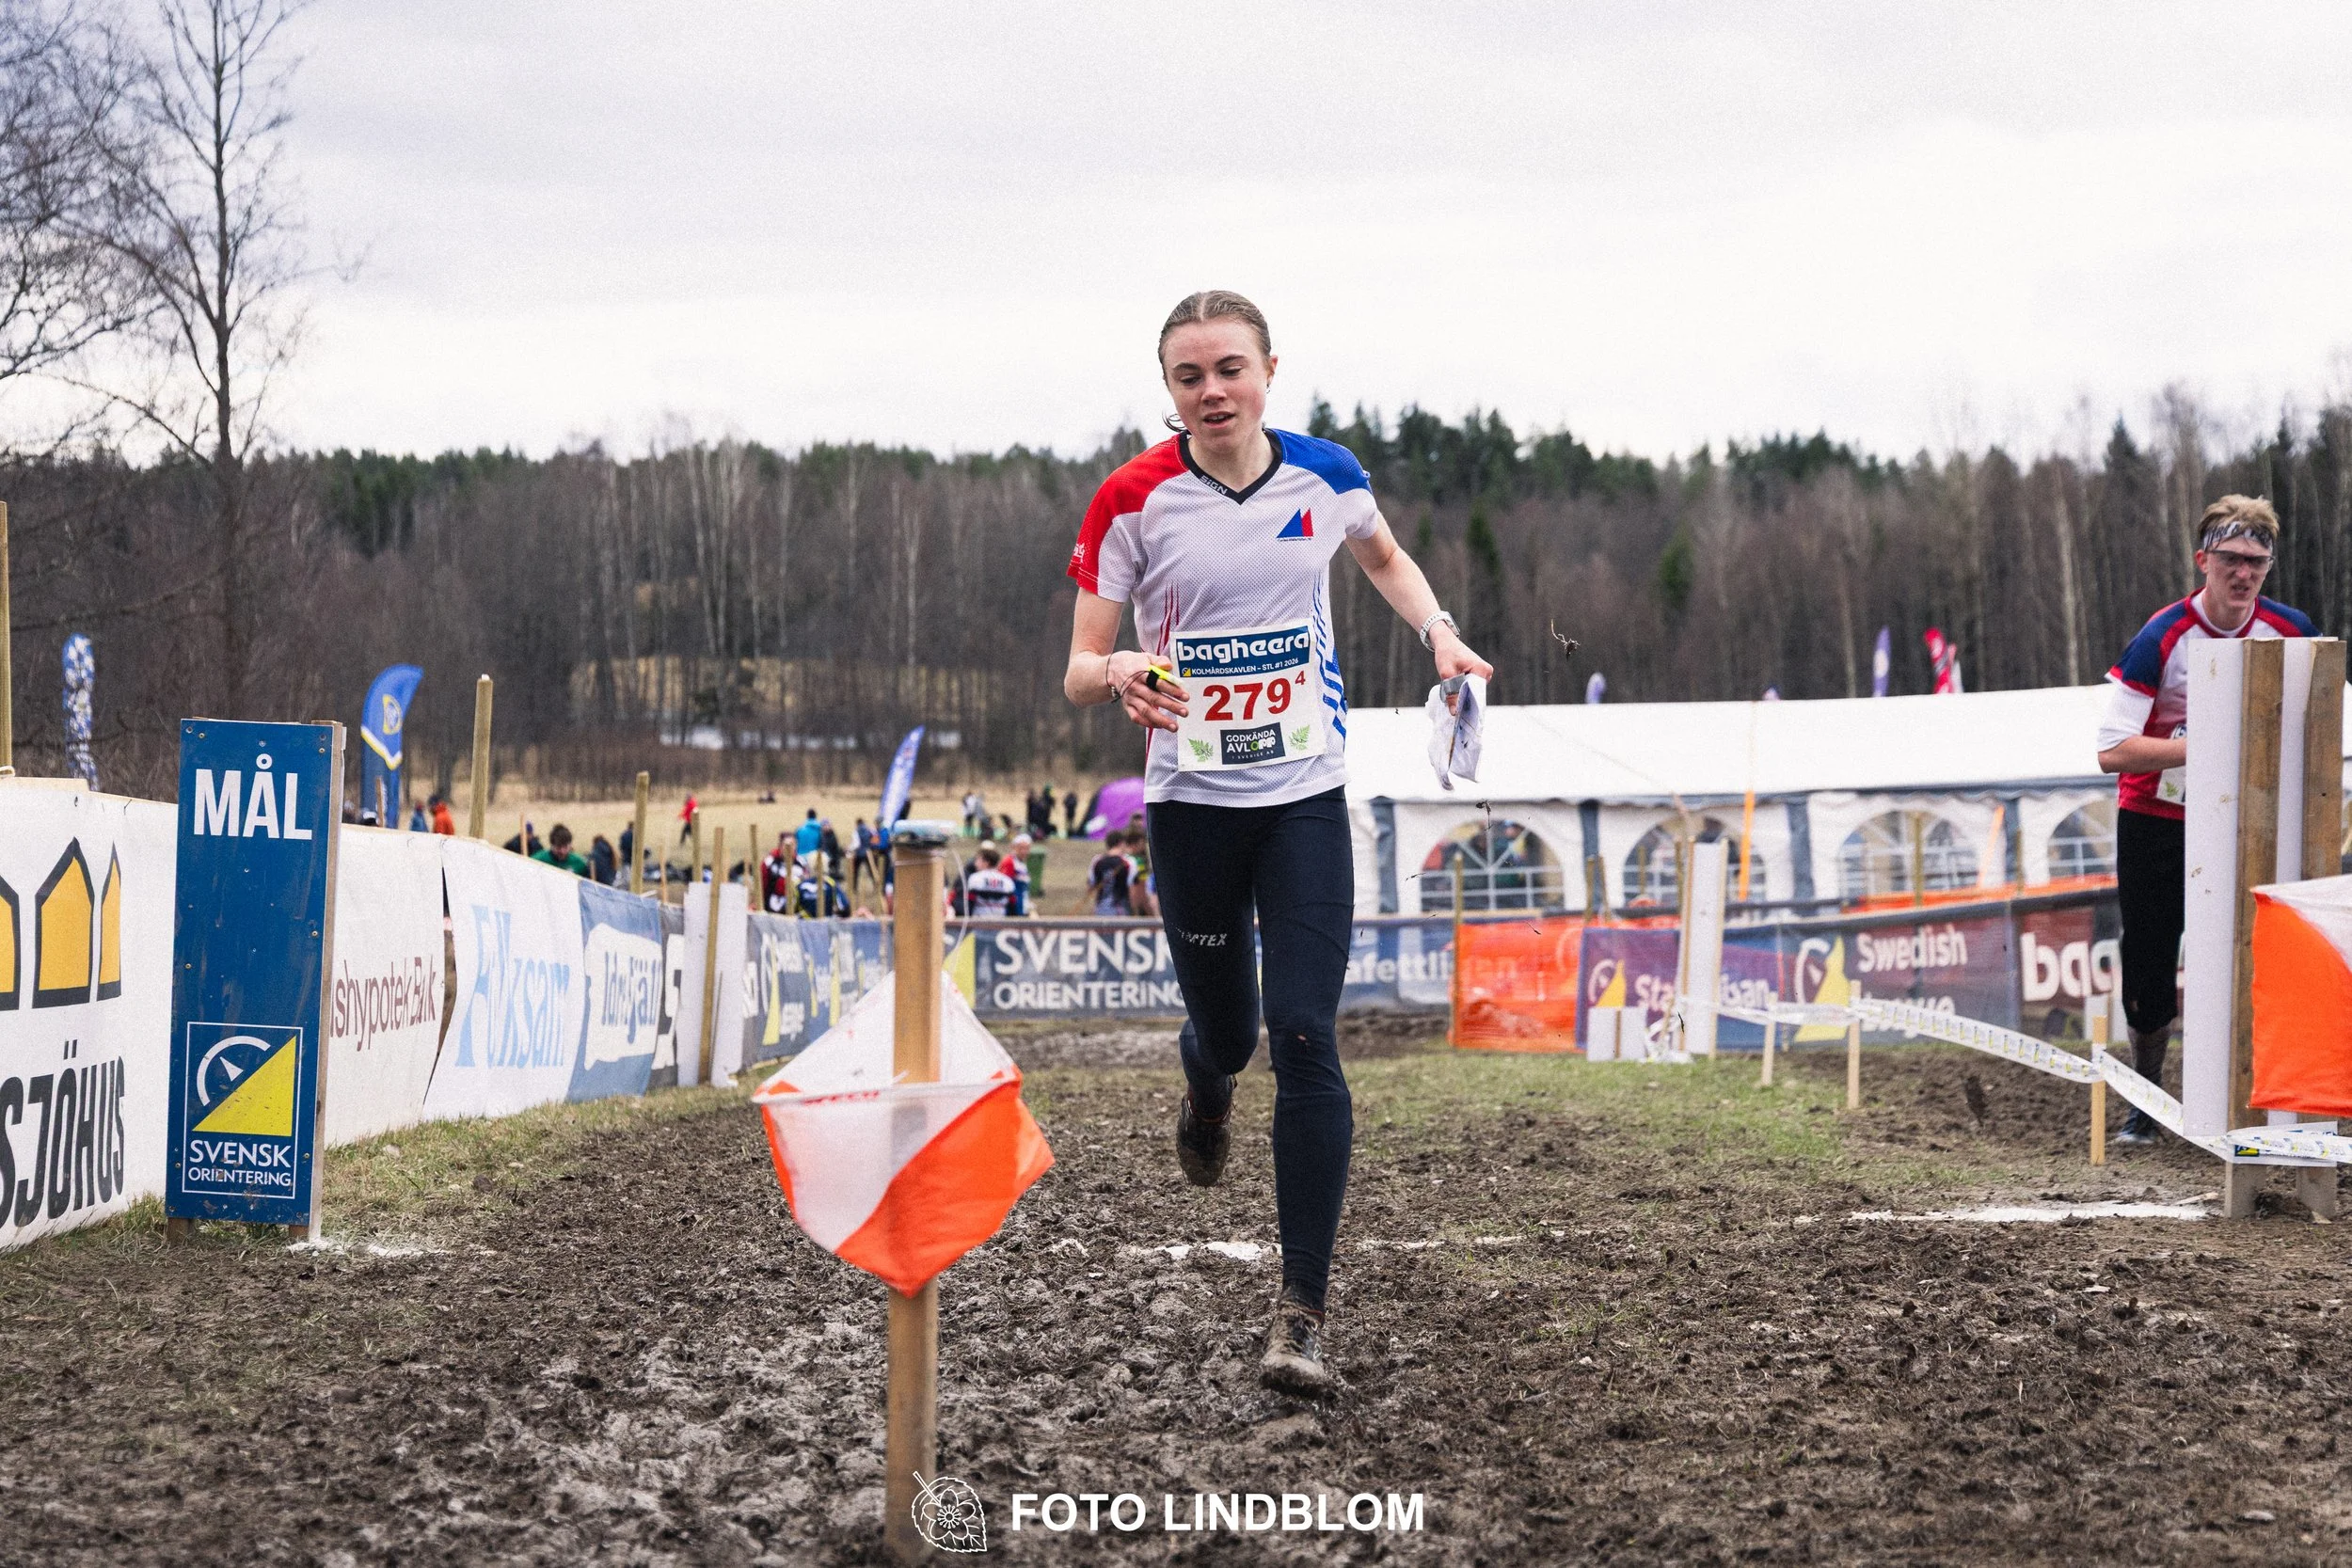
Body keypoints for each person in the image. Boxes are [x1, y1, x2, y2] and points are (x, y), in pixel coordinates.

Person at [1062, 290, 1491, 1391]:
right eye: (1188, 377)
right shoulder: (1132, 500)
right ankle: (1204, 1093)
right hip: (1193, 805)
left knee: (1304, 1031)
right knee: (1232, 1033)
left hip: (1304, 795)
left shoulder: (1326, 472)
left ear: (1268, 371)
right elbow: (1079, 663)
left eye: (1229, 370)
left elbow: (1386, 559)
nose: (1212, 392)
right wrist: (1115, 671)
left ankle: (1300, 1311)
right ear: (1168, 391)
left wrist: (1439, 632)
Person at [2097, 494, 2313, 1145]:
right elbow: (2111, 749)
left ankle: (2264, 1091)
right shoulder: (2161, 636)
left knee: (2261, 955)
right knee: (2151, 961)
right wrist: (2208, 745)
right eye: (2230, 559)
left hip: (2248, 819)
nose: (2242, 574)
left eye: (2256, 560)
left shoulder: (2293, 630)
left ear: (2269, 565)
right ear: (2203, 561)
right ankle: (2147, 1095)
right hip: (2156, 816)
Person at [963, 846, 1021, 917]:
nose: (975, 864)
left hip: (979, 924)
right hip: (1000, 923)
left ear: (986, 862)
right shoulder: (1008, 881)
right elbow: (1013, 909)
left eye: (978, 860)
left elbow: (968, 905)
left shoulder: (975, 879)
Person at [1088, 832, 1135, 916]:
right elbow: (1133, 889)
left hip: (1101, 908)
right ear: (1121, 843)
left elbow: (1091, 887)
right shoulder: (1129, 862)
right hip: (1121, 909)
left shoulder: (1097, 861)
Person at [792, 853, 850, 919]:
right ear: (826, 865)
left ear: (809, 866)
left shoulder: (800, 886)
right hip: (825, 926)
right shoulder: (831, 884)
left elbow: (790, 909)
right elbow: (845, 908)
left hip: (804, 926)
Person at [760, 832, 796, 913]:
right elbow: (762, 885)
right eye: (786, 845)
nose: (789, 849)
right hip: (772, 907)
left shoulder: (801, 863)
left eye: (792, 845)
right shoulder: (769, 862)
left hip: (794, 908)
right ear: (780, 846)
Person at [818, 817, 845, 881]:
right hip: (825, 860)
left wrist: (836, 859)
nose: (826, 827)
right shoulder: (821, 836)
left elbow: (835, 848)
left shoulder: (833, 836)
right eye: (824, 826)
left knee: (835, 878)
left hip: (834, 860)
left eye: (827, 825)